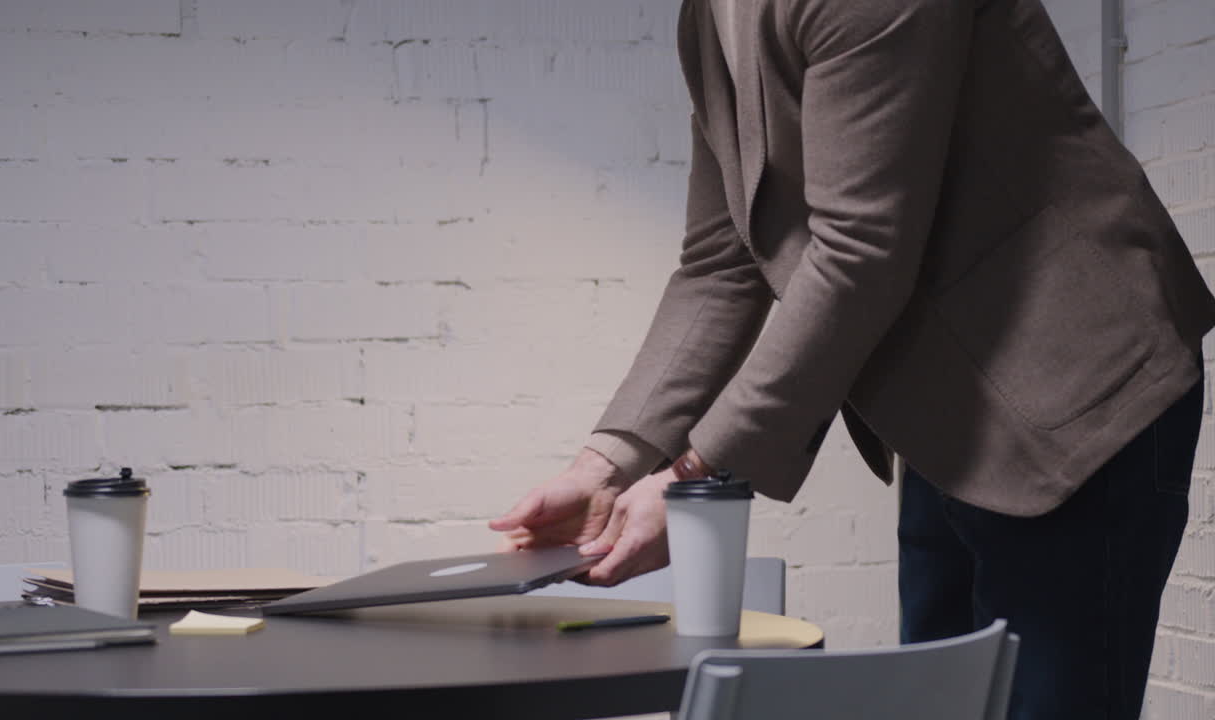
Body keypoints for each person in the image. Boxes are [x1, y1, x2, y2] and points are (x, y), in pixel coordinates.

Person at [490, 1, 1215, 718]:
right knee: (943, 699)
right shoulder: (709, 16)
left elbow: (859, 250)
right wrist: (605, 466)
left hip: (1083, 391)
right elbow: (721, 262)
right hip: (952, 423)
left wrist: (690, 475)